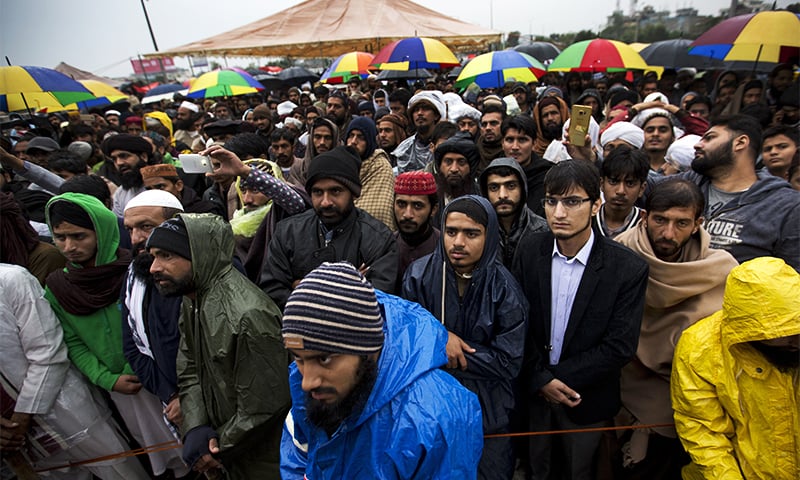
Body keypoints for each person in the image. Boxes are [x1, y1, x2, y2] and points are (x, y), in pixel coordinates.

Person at [280, 262, 483, 479]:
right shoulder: (306, 381)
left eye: (324, 358)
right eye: (299, 358)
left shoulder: (439, 416)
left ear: (366, 349)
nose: (307, 382)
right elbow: (298, 452)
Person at [512, 160, 648, 480]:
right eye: (551, 201)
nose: (559, 213)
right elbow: (518, 323)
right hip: (534, 397)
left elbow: (619, 345)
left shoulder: (626, 268)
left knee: (580, 471)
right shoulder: (530, 250)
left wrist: (553, 379)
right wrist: (538, 379)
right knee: (536, 469)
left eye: (572, 202)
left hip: (585, 399)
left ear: (595, 205)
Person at [43, 192, 188, 478]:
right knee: (156, 453)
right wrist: (106, 379)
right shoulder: (58, 286)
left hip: (165, 378)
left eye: (79, 236)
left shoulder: (141, 270)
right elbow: (72, 342)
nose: (69, 247)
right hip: (121, 388)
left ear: (102, 230)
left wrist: (139, 367)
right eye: (60, 238)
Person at [146, 213, 291, 478]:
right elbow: (190, 366)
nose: (154, 267)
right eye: (154, 256)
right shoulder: (193, 298)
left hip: (265, 456)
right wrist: (196, 428)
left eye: (167, 256)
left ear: (201, 255)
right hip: (229, 447)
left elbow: (265, 406)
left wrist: (214, 447)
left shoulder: (248, 315)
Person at [614, 178, 738, 478]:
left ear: (698, 224)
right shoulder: (617, 256)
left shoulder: (722, 271)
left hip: (697, 403)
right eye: (660, 220)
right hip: (621, 391)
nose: (668, 233)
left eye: (681, 223)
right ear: (644, 217)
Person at [403, 195, 528, 479]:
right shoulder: (418, 275)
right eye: (451, 232)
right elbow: (406, 339)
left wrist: (452, 352)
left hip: (489, 414)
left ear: (489, 235)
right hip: (430, 409)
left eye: (471, 233)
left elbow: (508, 361)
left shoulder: (505, 288)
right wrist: (439, 338)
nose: (458, 242)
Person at [0, 263, 151, 480]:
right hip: (21, 446)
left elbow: (49, 353)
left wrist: (22, 416)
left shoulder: (11, 280)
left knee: (117, 470)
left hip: (68, 412)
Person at [671, 257, 799, 480]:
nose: (795, 341)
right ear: (751, 333)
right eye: (783, 336)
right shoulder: (700, 349)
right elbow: (703, 430)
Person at [261, 146, 398, 308]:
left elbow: (376, 300)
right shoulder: (287, 232)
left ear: (354, 193)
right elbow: (272, 289)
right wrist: (347, 287)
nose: (326, 202)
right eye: (318, 192)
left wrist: (304, 287)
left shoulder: (379, 239)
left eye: (335, 191)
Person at [688, 114, 800, 269]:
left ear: (740, 143)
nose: (698, 145)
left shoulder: (787, 205)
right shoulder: (686, 183)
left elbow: (793, 276)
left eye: (709, 138)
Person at [120, 190, 185, 438]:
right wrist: (170, 393)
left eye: (146, 227)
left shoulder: (204, 272)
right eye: (130, 229)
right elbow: (132, 344)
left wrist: (191, 397)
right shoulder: (133, 279)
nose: (136, 238)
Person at [479, 157, 548, 269]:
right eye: (494, 187)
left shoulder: (543, 230)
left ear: (523, 189)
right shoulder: (479, 231)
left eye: (511, 186)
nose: (502, 195)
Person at [345, 116, 396, 231]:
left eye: (360, 137)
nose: (353, 142)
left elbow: (379, 212)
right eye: (351, 136)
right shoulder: (343, 164)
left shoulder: (380, 166)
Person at [393, 171, 440, 287]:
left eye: (417, 206)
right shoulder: (384, 247)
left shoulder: (443, 247)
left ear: (433, 209)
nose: (407, 214)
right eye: (401, 204)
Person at [502, 115, 553, 217]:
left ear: (534, 143)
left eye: (522, 140)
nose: (515, 147)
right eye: (510, 140)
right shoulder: (492, 174)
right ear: (502, 143)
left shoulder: (549, 176)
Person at [595, 146, 648, 239]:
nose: (621, 191)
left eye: (630, 183)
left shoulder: (645, 225)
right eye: (613, 181)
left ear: (641, 189)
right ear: (602, 184)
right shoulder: (586, 220)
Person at [431, 132, 480, 226]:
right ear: (439, 166)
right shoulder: (431, 198)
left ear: (471, 167)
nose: (454, 169)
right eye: (448, 162)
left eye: (461, 162)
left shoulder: (482, 196)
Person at [140, 163, 223, 215]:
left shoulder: (204, 211)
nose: (154, 193)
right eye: (149, 189)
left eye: (160, 187)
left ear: (178, 185)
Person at [394, 91, 446, 173]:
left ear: (436, 115)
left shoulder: (445, 144)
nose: (420, 113)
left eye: (425, 109)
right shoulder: (405, 148)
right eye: (416, 110)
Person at [101, 134, 153, 215]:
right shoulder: (121, 193)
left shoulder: (162, 186)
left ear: (143, 157)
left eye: (124, 156)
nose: (119, 163)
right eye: (114, 159)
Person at [476, 104, 507, 173]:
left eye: (493, 123)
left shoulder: (511, 151)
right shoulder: (475, 151)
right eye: (484, 124)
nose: (488, 128)